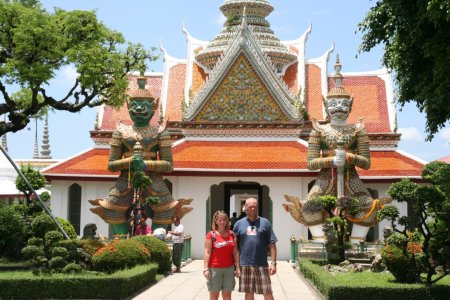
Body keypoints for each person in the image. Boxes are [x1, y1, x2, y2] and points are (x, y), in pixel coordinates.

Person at [89, 75, 192, 236]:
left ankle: (156, 245)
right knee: (113, 210)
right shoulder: (121, 131)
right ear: (128, 107)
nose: (139, 109)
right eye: (135, 105)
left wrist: (146, 165)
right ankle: (122, 246)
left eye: (144, 105)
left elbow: (168, 165)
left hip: (154, 181)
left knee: (165, 210)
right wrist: (130, 161)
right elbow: (111, 164)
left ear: (153, 107)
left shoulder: (160, 131)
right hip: (126, 180)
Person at [233, 198, 277, 300]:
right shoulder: (238, 224)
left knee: (267, 291)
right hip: (245, 264)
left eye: (255, 207)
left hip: (261, 263)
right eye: (250, 207)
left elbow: (272, 244)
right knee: (249, 292)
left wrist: (273, 263)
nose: (253, 209)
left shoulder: (265, 223)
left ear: (257, 207)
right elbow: (235, 247)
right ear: (245, 208)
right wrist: (237, 266)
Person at [204, 211, 240, 300]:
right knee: (214, 296)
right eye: (220, 220)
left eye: (224, 220)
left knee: (227, 296)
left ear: (227, 221)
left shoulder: (232, 234)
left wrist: (238, 268)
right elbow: (207, 252)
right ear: (216, 221)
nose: (222, 222)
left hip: (229, 269)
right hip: (215, 269)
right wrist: (205, 269)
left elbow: (235, 252)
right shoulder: (211, 235)